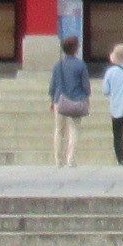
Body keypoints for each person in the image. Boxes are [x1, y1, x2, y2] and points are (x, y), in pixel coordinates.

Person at [47, 37, 91, 167]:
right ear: (75, 49)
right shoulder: (81, 65)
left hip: (59, 100)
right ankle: (71, 159)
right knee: (74, 130)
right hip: (77, 99)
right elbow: (85, 85)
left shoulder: (58, 65)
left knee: (59, 130)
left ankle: (58, 160)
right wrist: (87, 98)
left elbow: (52, 85)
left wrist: (52, 100)